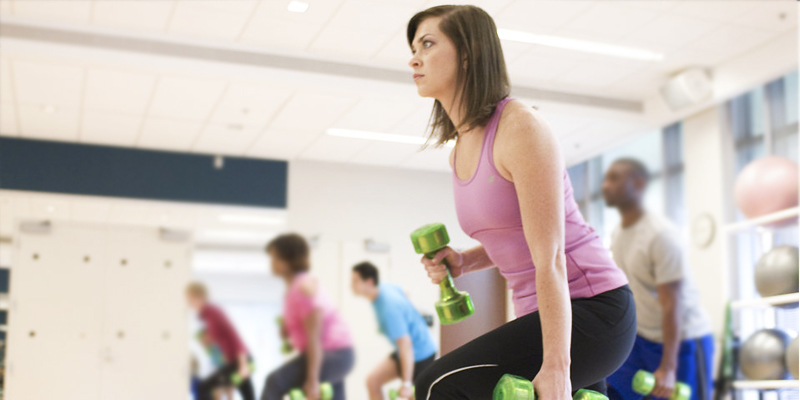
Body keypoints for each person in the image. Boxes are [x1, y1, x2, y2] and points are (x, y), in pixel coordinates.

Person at [406, 5, 637, 400]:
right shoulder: (461, 149)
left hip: (593, 310)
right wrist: (463, 260)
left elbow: (551, 257)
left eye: (427, 44)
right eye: (413, 48)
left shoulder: (520, 128)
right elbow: (513, 237)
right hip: (545, 316)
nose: (414, 58)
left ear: (469, 52)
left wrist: (556, 367)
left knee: (439, 384)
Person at [602, 159, 713, 400]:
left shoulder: (660, 236)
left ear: (639, 184)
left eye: (614, 178)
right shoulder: (618, 234)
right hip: (640, 337)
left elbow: (672, 304)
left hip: (682, 339)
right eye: (606, 179)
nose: (605, 186)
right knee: (613, 391)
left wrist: (669, 368)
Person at [262, 233, 355, 400]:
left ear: (287, 260)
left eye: (274, 258)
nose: (271, 264)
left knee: (275, 381)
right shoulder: (295, 287)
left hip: (333, 354)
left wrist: (312, 379)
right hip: (338, 354)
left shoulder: (304, 287)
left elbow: (315, 337)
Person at [351, 261, 437, 400]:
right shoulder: (383, 288)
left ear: (369, 282)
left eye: (355, 281)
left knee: (413, 395)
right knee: (373, 381)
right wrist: (412, 318)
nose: (351, 285)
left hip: (421, 354)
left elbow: (406, 347)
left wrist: (407, 383)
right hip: (406, 350)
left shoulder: (389, 308)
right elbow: (406, 291)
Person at [186, 282, 256, 400]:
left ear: (197, 296)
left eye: (189, 298)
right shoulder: (207, 317)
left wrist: (243, 364)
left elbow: (234, 337)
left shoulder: (213, 313)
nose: (188, 302)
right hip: (234, 362)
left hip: (239, 361)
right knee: (248, 395)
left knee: (203, 387)